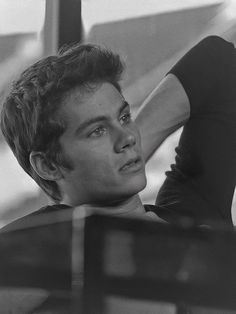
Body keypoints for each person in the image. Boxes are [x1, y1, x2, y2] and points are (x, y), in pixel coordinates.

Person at [0, 35, 235, 313]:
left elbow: (219, 62)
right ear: (49, 165)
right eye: (96, 131)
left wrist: (122, 156)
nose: (127, 137)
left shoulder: (192, 212)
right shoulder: (28, 252)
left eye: (124, 117)